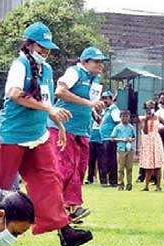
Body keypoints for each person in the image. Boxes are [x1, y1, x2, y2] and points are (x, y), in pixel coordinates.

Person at [0, 22, 93, 246]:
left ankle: (65, 230)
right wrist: (49, 110)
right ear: (29, 44)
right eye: (41, 46)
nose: (45, 51)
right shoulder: (20, 65)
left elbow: (48, 101)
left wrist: (59, 125)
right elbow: (15, 94)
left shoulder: (48, 70)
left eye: (47, 47)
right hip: (13, 134)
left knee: (49, 181)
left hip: (39, 135)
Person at [49, 46, 106, 223]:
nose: (100, 65)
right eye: (96, 61)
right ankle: (60, 209)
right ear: (84, 62)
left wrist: (93, 112)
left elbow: (90, 103)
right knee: (65, 169)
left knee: (80, 169)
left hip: (83, 130)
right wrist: (88, 103)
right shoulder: (74, 72)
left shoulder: (94, 80)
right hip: (63, 129)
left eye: (101, 62)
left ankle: (70, 209)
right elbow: (60, 92)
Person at [139, 101, 164, 192]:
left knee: (158, 164)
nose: (149, 109)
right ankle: (146, 186)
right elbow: (145, 131)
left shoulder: (158, 117)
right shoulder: (142, 118)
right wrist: (146, 120)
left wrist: (158, 130)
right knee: (148, 165)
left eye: (152, 107)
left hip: (156, 141)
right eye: (148, 108)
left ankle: (158, 186)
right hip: (147, 142)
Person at [98, 90, 120, 187]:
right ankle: (108, 181)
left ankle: (110, 181)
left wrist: (114, 136)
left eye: (106, 98)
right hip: (104, 138)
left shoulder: (114, 110)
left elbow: (118, 123)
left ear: (111, 99)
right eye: (102, 98)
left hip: (109, 138)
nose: (104, 101)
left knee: (108, 160)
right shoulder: (106, 111)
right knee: (105, 160)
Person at [111, 110, 135, 191]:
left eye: (127, 116)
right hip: (121, 149)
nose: (125, 118)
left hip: (129, 149)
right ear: (120, 117)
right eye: (123, 116)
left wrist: (131, 139)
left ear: (129, 117)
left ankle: (129, 184)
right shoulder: (117, 127)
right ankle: (120, 184)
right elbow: (113, 138)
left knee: (129, 168)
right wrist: (121, 139)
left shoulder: (131, 127)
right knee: (120, 168)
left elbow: (134, 137)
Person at [85, 105, 103, 184]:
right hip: (91, 140)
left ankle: (102, 179)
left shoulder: (103, 116)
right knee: (91, 161)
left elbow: (100, 121)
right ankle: (90, 178)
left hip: (100, 141)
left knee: (101, 161)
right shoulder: (91, 117)